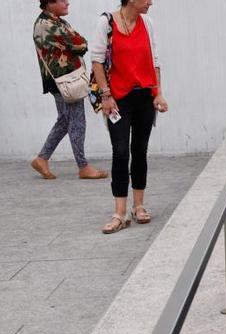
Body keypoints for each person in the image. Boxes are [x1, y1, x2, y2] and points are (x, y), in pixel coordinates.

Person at [91, 0, 167, 234]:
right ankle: (119, 213)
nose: (151, 2)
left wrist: (158, 93)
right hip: (117, 99)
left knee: (140, 151)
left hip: (144, 97)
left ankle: (139, 205)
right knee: (120, 152)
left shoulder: (147, 22)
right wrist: (105, 95)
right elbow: (97, 61)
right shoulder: (107, 22)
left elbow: (154, 61)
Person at [32, 0, 108, 180]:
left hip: (62, 80)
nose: (68, 3)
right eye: (62, 0)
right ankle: (83, 167)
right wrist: (78, 41)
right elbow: (80, 44)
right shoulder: (48, 25)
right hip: (65, 81)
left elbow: (78, 43)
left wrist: (77, 41)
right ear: (50, 3)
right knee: (77, 121)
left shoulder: (56, 21)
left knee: (65, 121)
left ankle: (42, 158)